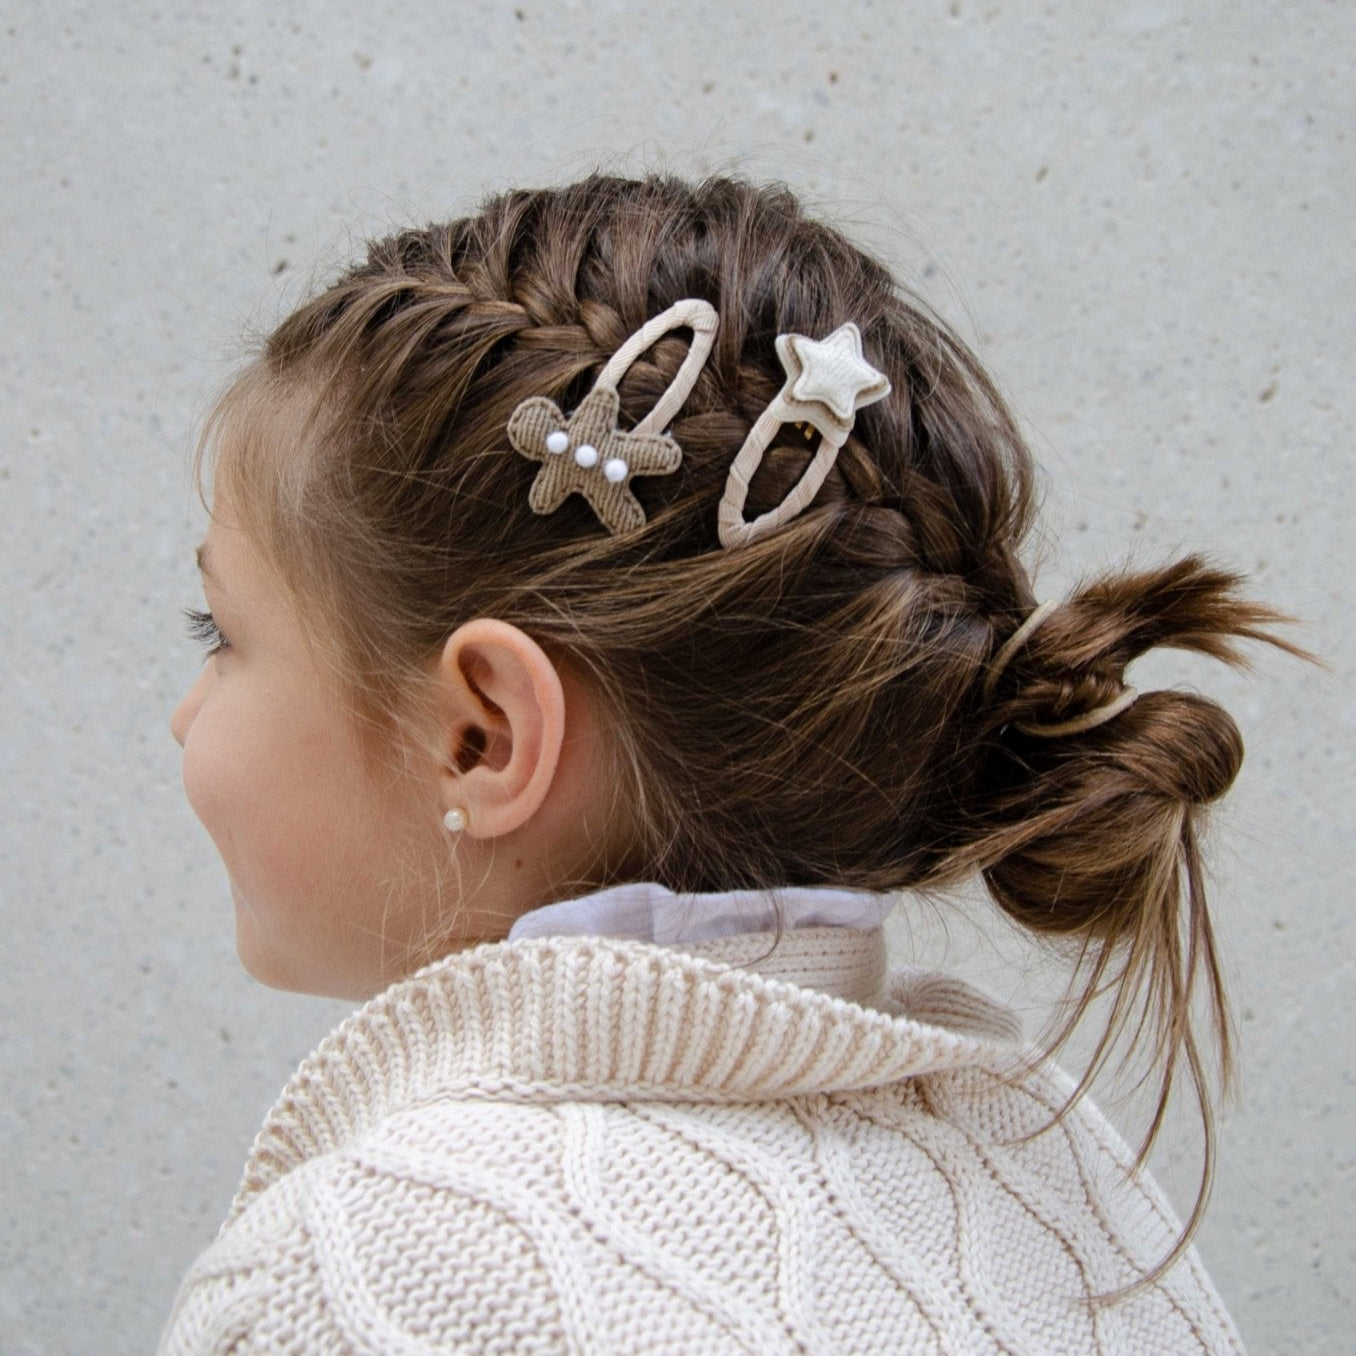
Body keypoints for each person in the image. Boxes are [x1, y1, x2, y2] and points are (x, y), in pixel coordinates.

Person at [159, 174, 1283, 1353]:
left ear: (483, 735)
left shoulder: (359, 1280)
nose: (186, 716)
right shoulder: (1051, 1168)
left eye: (219, 635)